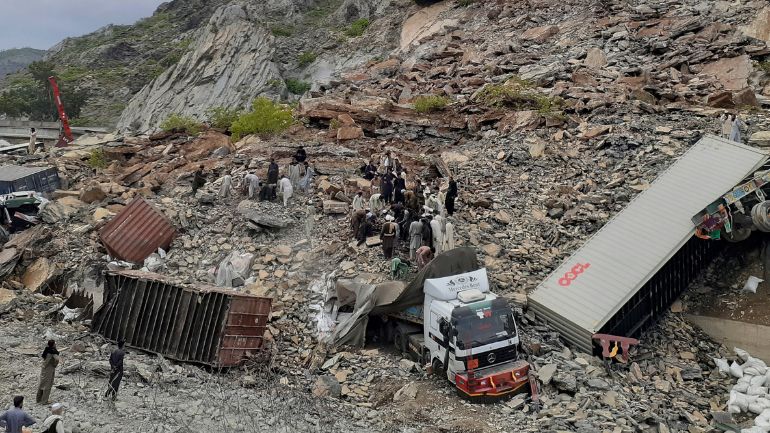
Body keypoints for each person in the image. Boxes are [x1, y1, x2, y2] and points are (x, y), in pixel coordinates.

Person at [36, 340, 59, 404]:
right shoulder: (53, 352)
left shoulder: (46, 349)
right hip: (49, 369)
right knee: (48, 385)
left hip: (44, 369)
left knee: (42, 383)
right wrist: (55, 365)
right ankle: (44, 401)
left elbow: (43, 357)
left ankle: (38, 399)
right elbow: (57, 359)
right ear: (53, 344)